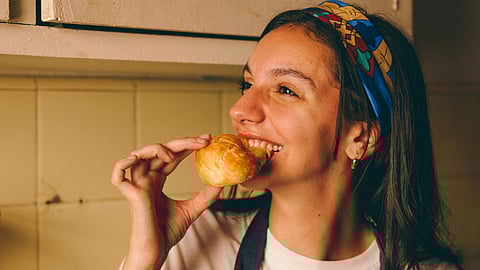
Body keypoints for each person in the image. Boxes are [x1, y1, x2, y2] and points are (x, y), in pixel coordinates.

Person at [111, 1, 463, 269]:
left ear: (362, 138)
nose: (240, 110)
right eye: (247, 84)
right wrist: (145, 259)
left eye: (285, 90)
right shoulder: (195, 241)